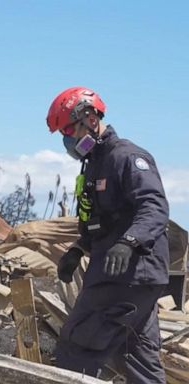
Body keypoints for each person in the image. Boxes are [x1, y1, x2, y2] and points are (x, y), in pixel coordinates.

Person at [46, 86, 169, 383]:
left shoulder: (125, 157)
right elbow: (100, 218)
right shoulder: (93, 166)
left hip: (128, 273)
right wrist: (78, 248)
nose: (67, 140)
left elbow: (153, 205)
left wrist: (129, 241)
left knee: (78, 349)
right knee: (136, 356)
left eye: (69, 130)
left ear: (89, 117)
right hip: (122, 274)